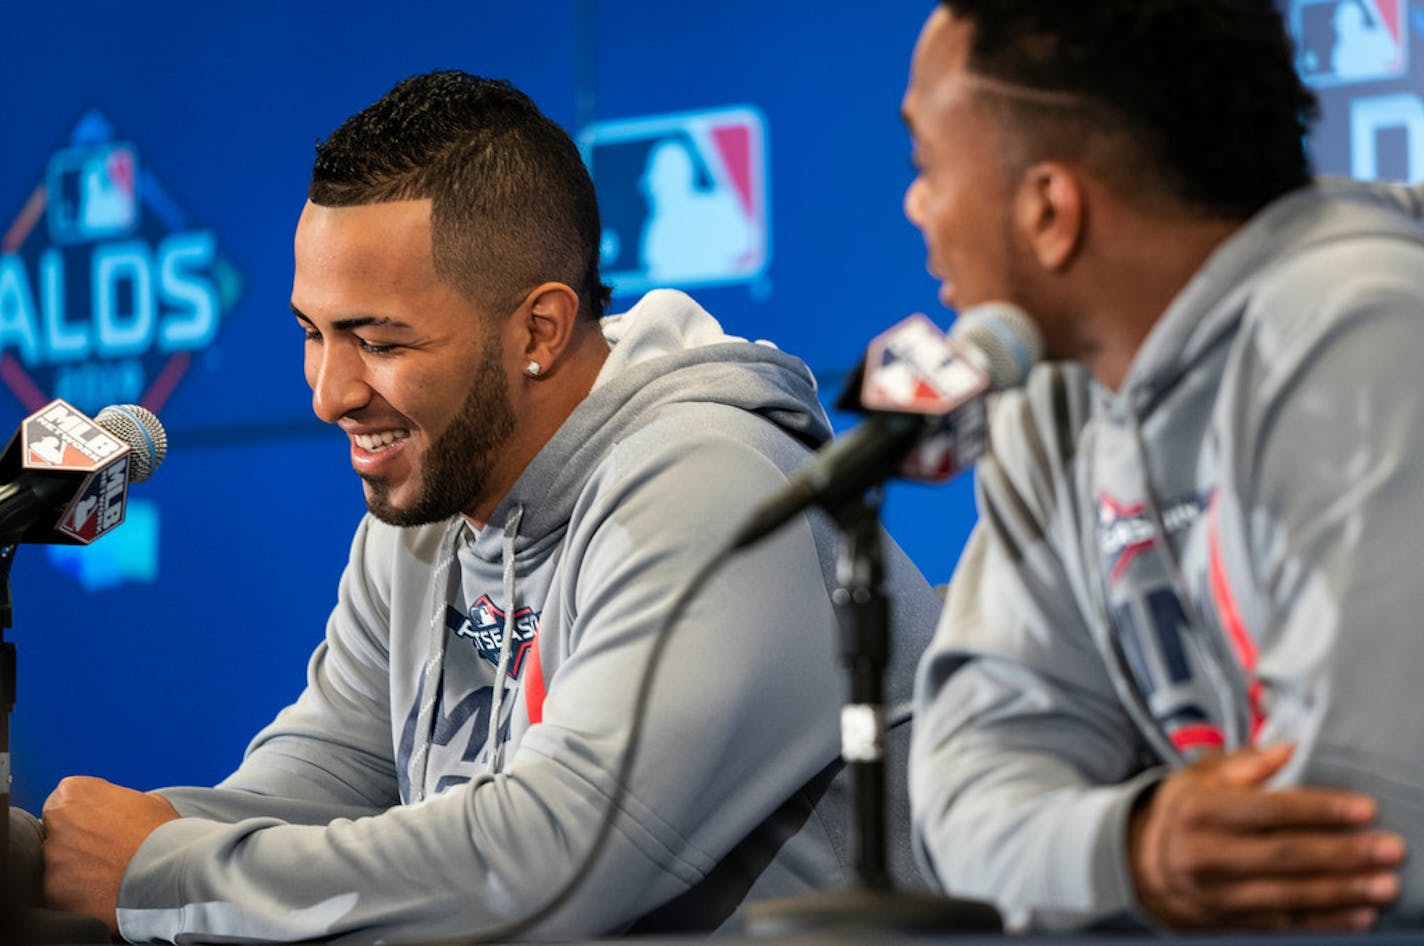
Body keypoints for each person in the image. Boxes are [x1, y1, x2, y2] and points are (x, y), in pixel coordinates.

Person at [36, 71, 942, 942]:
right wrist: (58, 857)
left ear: (538, 331)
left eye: (379, 341)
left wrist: (162, 876)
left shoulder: (711, 481)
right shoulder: (429, 509)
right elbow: (324, 777)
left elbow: (554, 860)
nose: (327, 393)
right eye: (312, 334)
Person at [901, 0, 1424, 934]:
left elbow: (1362, 838)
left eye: (927, 165)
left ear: (1050, 209)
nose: (917, 207)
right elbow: (965, 796)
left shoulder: (1364, 330)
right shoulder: (1050, 401)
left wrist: (1087, 856)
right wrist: (1134, 846)